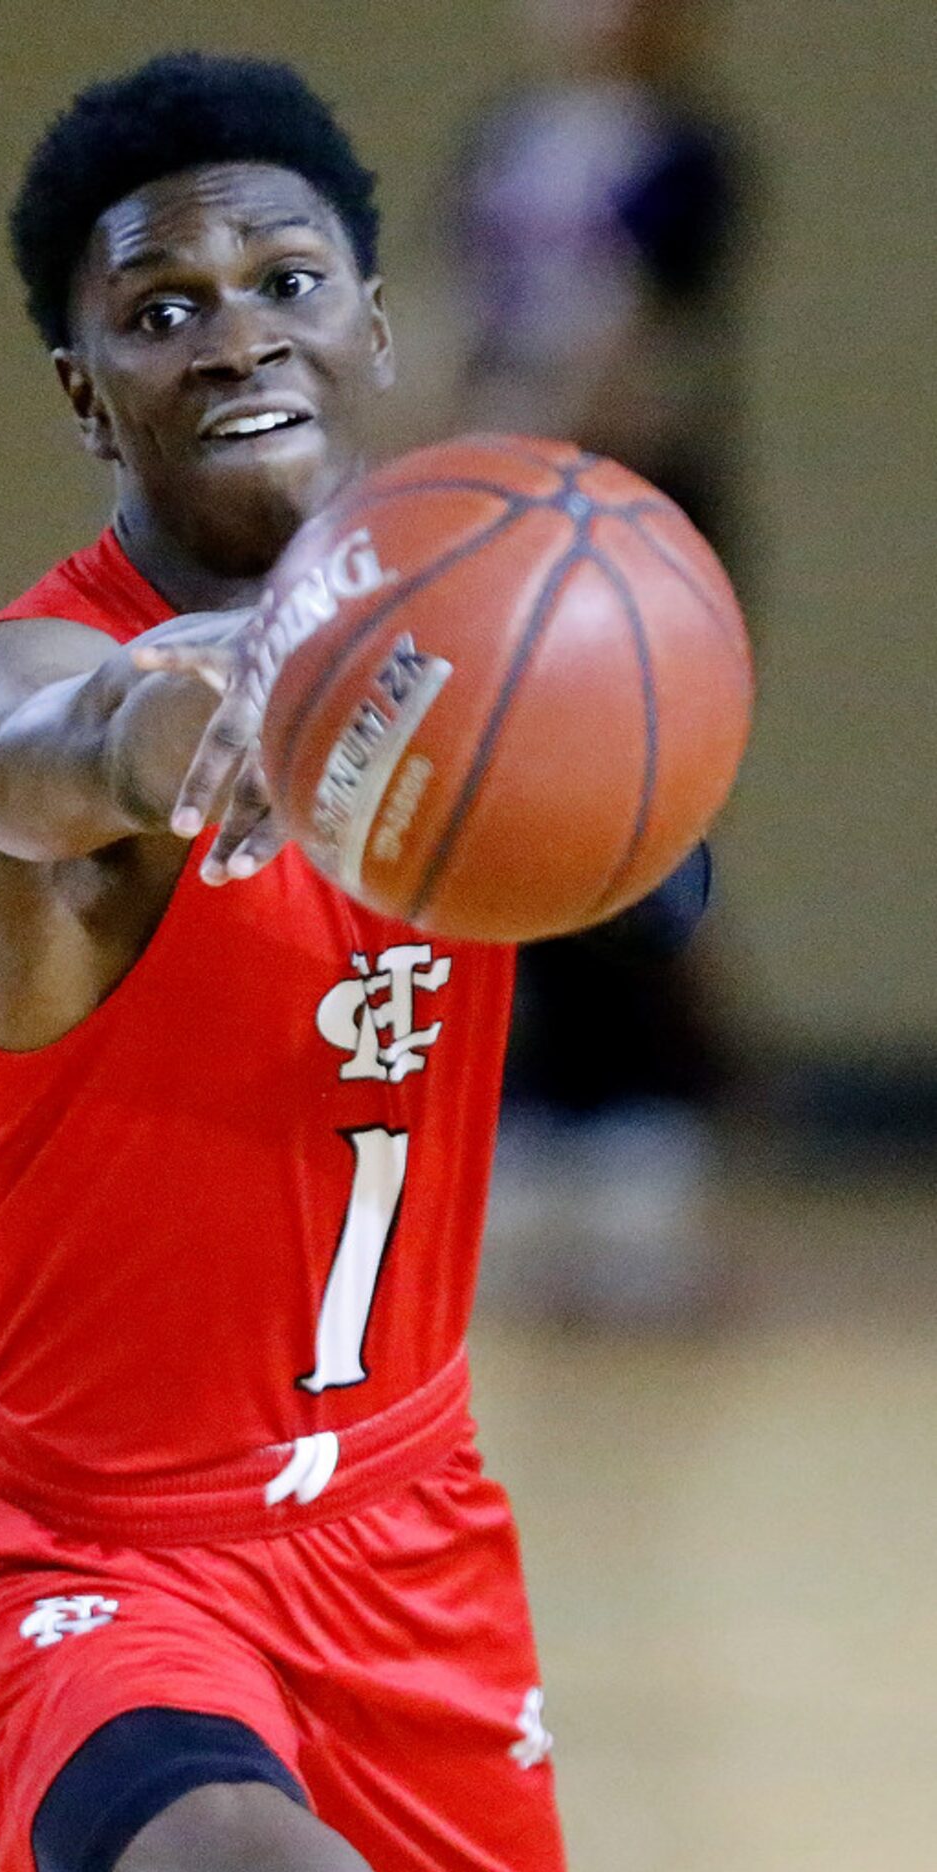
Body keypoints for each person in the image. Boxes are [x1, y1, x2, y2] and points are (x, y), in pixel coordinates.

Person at [0, 51, 706, 1872]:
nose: (236, 338)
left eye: (287, 285)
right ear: (90, 395)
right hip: (85, 1551)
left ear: (376, 331)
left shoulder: (485, 637)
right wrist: (180, 722)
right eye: (164, 311)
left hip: (408, 1533)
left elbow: (661, 873)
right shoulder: (33, 671)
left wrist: (586, 777)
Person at [446, 0, 750, 1323]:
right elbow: (459, 307)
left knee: (629, 807)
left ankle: (651, 1100)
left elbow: (630, 327)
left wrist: (527, 436)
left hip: (633, 510)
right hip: (505, 495)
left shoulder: (694, 154)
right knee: (505, 813)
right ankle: (548, 1094)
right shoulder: (505, 138)